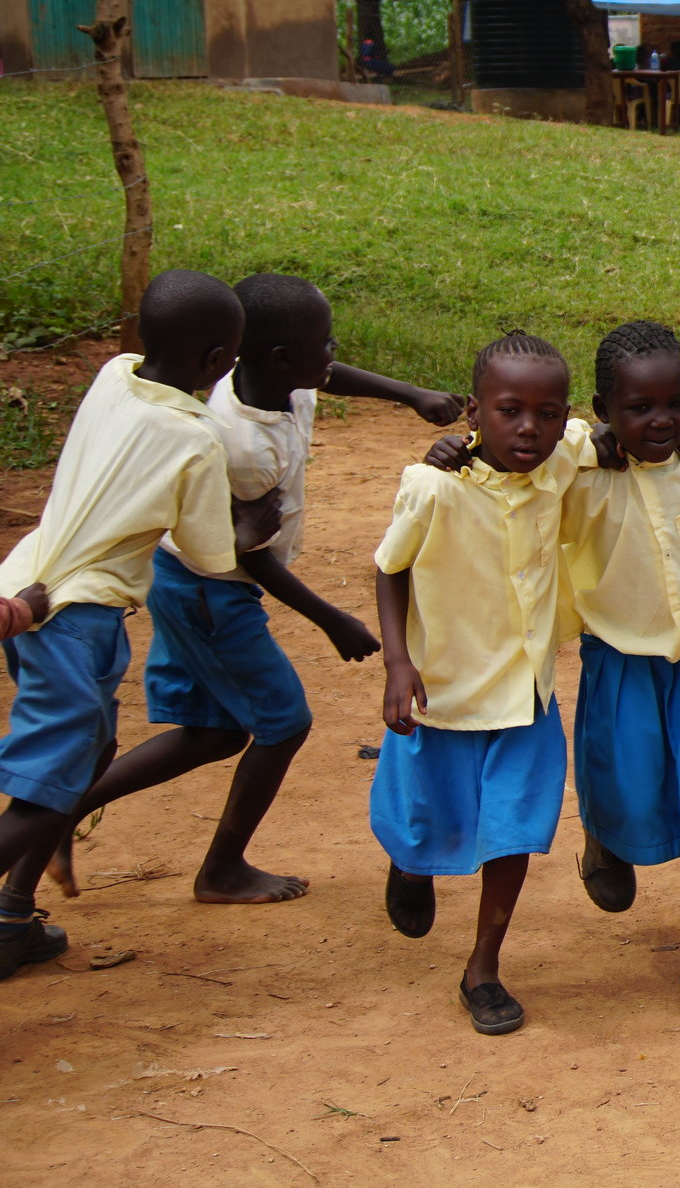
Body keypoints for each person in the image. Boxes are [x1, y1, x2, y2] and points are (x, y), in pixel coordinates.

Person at [6, 275, 460, 912]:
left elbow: (322, 373)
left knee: (211, 733)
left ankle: (47, 838)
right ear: (260, 357)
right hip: (204, 591)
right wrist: (332, 618)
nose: (333, 354)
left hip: (154, 581)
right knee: (283, 722)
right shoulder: (228, 441)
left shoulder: (236, 376)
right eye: (324, 345)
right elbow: (232, 553)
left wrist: (409, 394)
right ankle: (219, 869)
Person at [0, 271, 265, 979]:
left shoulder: (114, 374)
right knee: (51, 781)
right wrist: (252, 522)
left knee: (88, 753)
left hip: (28, 585)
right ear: (217, 363)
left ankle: (11, 918)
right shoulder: (195, 436)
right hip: (75, 615)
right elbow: (211, 554)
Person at [371, 331, 587, 1035]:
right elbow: (390, 566)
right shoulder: (433, 486)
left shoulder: (559, 464)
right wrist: (397, 661)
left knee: (513, 833)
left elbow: (606, 428)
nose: (531, 428)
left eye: (547, 412)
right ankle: (411, 864)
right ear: (473, 411)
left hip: (525, 696)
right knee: (422, 821)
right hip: (442, 692)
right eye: (509, 410)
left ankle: (483, 965)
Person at [560, 322, 680, 1014]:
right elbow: (525, 449)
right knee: (627, 785)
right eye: (638, 407)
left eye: (673, 402)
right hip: (623, 659)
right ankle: (604, 834)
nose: (660, 420)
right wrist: (590, 438)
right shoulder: (583, 469)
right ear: (602, 407)